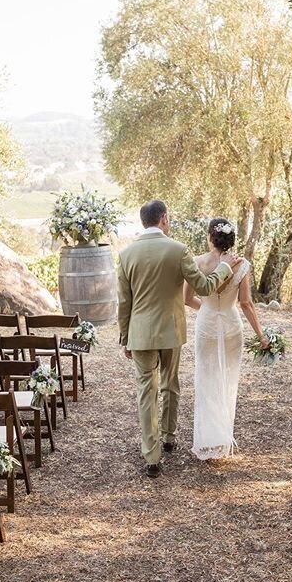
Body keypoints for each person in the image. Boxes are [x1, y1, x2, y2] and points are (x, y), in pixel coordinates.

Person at [117, 200, 239, 478]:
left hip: (140, 333)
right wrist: (224, 267)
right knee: (170, 384)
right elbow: (205, 287)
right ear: (163, 219)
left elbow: (123, 303)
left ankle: (152, 455)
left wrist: (125, 337)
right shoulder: (178, 249)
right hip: (171, 331)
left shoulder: (125, 255)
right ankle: (169, 437)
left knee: (146, 391)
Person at [184, 218, 268, 460]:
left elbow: (187, 299)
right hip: (232, 326)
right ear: (231, 240)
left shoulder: (197, 263)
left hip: (207, 324)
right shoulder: (242, 266)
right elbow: (246, 303)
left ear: (211, 237)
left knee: (206, 378)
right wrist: (261, 335)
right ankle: (222, 437)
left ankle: (207, 440)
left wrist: (208, 311)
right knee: (228, 380)